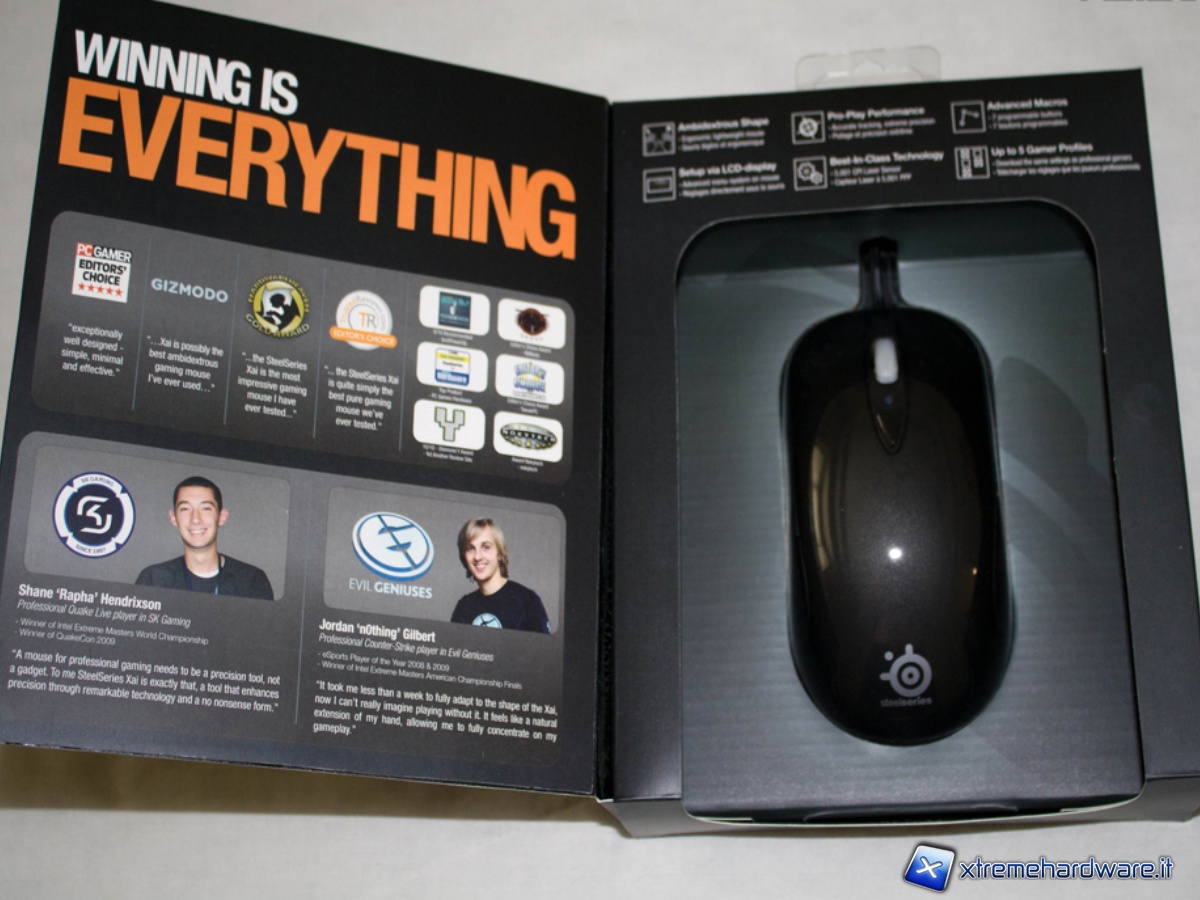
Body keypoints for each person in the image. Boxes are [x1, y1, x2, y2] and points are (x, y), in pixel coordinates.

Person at [135, 476, 274, 600]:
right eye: (185, 509)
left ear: (222, 517)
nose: (195, 519)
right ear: (173, 517)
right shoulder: (154, 579)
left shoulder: (251, 580)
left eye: (206, 508)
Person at [450, 518, 550, 633]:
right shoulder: (464, 607)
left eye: (486, 547)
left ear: (500, 554)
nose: (477, 556)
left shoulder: (528, 601)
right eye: (471, 548)